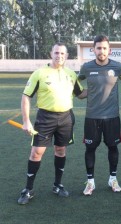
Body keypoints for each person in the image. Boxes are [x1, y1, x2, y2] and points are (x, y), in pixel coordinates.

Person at [17, 43, 86, 205]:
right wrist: (26, 121)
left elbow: (81, 93)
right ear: (51, 54)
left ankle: (57, 185)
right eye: (56, 53)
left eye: (62, 53)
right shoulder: (39, 73)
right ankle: (28, 189)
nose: (59, 56)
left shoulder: (71, 74)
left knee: (60, 150)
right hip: (45, 118)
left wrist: (101, 87)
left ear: (67, 55)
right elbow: (26, 96)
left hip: (66, 118)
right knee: (36, 153)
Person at [78, 35, 121, 195]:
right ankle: (90, 182)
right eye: (98, 48)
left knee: (112, 147)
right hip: (92, 116)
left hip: (112, 116)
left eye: (104, 48)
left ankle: (112, 179)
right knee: (90, 148)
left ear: (109, 50)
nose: (101, 51)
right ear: (93, 50)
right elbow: (75, 83)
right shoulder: (86, 68)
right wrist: (85, 93)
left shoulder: (118, 67)